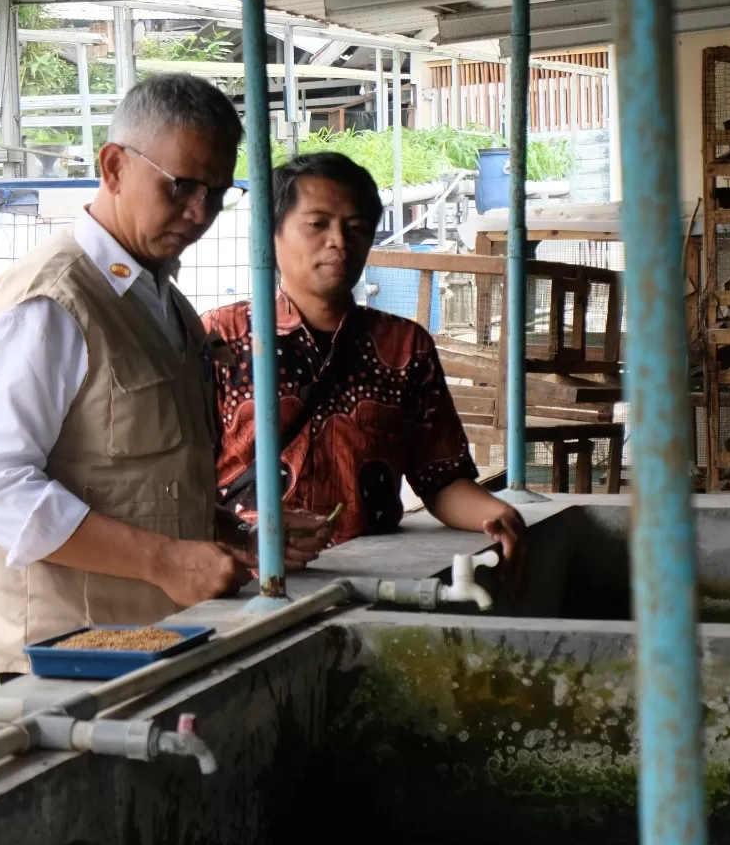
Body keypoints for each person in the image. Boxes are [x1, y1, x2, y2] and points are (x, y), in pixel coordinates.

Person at [0, 73, 315, 677]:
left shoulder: (167, 304)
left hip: (146, 648)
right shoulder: (51, 302)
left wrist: (224, 536)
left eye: (218, 192)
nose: (200, 212)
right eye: (180, 186)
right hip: (51, 662)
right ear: (114, 167)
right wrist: (164, 561)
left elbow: (138, 480)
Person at [202, 152, 526, 560]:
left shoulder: (404, 347)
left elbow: (441, 481)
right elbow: (176, 485)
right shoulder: (221, 340)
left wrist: (496, 513)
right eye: (317, 225)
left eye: (355, 228)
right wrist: (242, 537)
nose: (338, 241)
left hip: (374, 579)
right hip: (248, 579)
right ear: (271, 233)